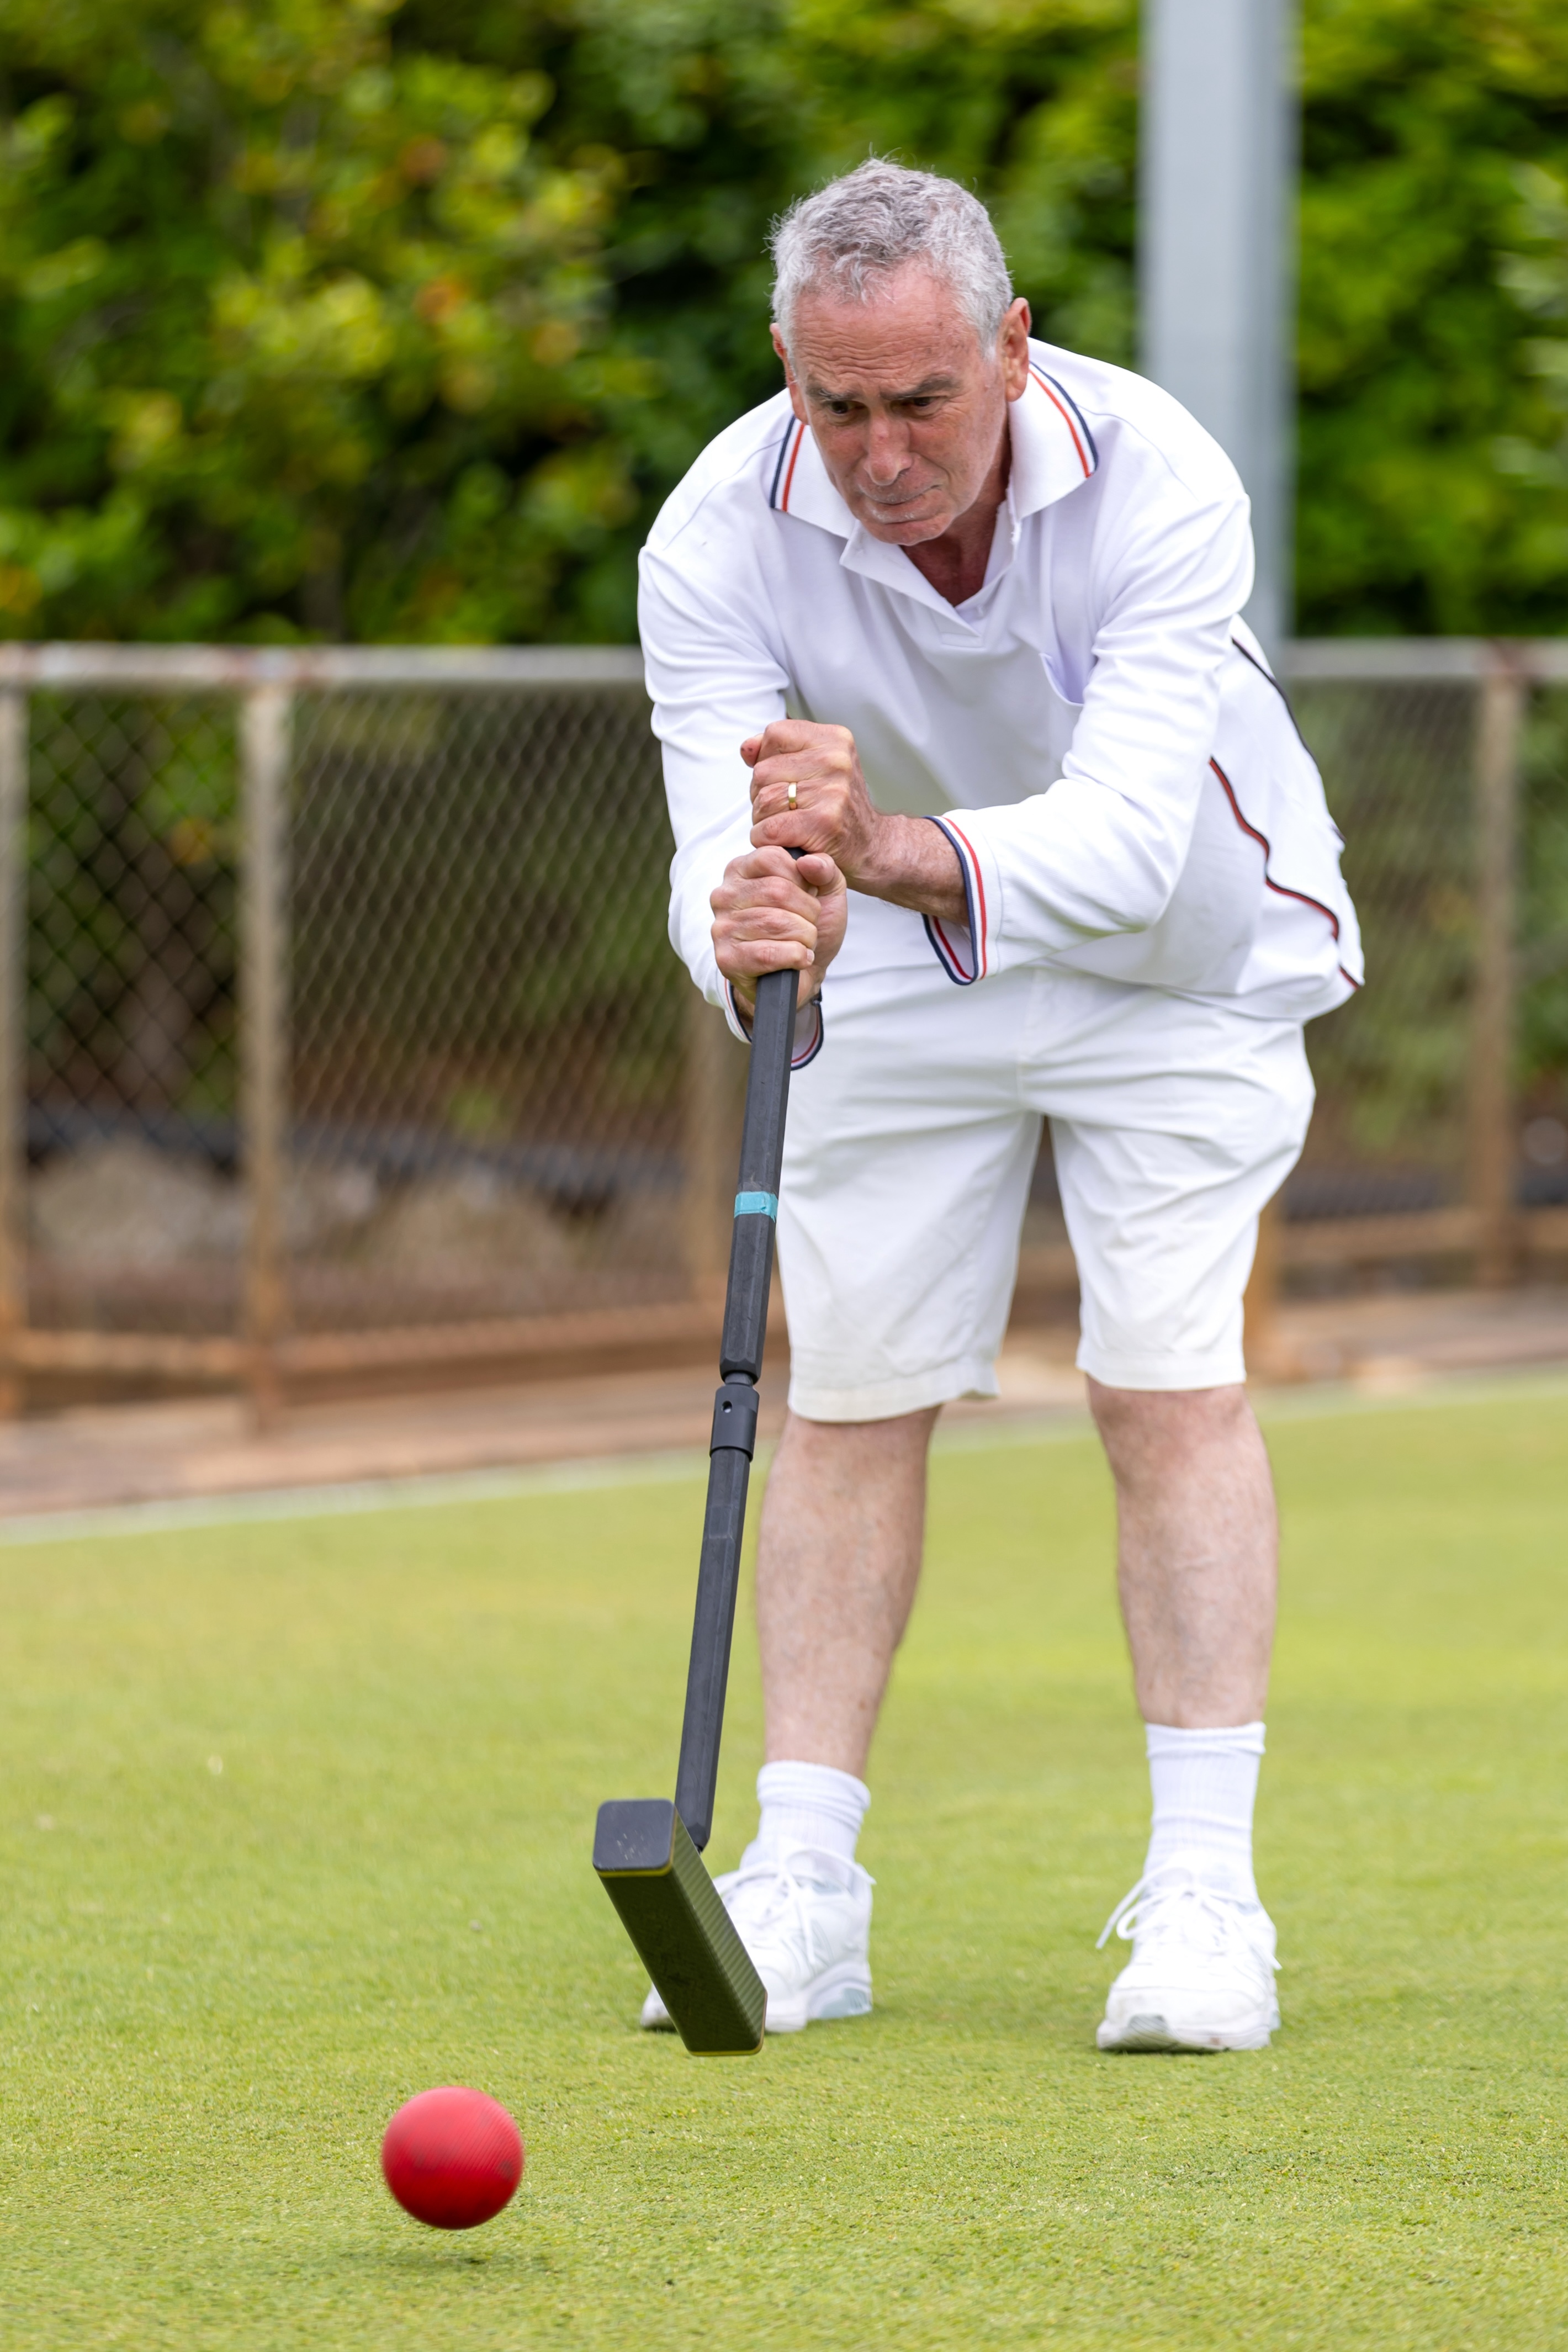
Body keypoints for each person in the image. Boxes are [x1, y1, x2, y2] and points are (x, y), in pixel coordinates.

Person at [637, 161, 1360, 2052]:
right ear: (787, 372)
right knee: (852, 1391)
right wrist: (742, 919)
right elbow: (707, 842)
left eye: (923, 402)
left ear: (1012, 347)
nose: (880, 455)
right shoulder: (715, 529)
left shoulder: (1163, 476)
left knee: (1162, 1373)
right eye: (837, 406)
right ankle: (803, 1886)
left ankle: (1205, 1898)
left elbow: (1126, 846)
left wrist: (866, 846)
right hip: (889, 952)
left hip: (1177, 952)